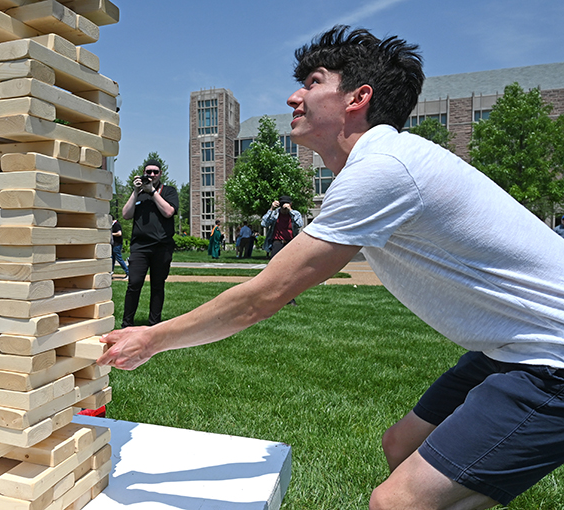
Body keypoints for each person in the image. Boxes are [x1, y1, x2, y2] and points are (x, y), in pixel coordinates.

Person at [97, 26, 564, 509]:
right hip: (513, 347)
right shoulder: (379, 165)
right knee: (401, 445)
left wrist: (151, 338)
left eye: (314, 82)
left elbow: (262, 297)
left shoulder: (383, 168)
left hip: (553, 356)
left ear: (358, 98)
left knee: (397, 502)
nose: (294, 96)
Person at [120, 158, 179, 328]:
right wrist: (135, 191)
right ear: (143, 173)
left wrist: (152, 192)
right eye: (148, 172)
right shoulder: (138, 194)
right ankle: (127, 324)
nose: (151, 175)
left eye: (155, 172)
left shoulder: (168, 191)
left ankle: (154, 325)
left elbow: (169, 212)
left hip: (162, 246)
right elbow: (126, 214)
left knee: (157, 285)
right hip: (140, 247)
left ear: (160, 174)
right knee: (134, 283)